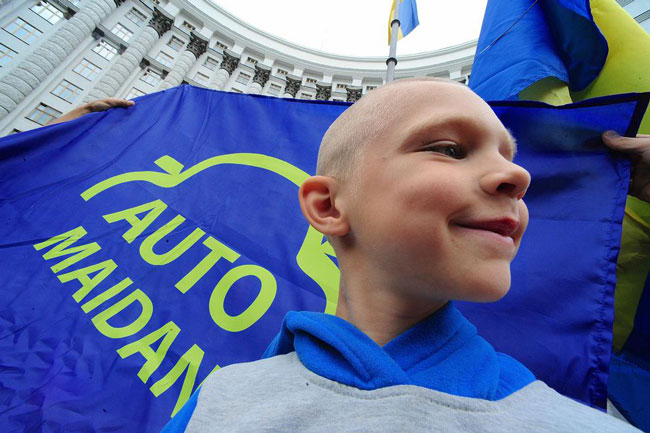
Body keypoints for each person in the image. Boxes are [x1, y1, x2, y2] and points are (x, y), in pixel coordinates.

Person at [153, 78, 645, 432]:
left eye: (508, 156)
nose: (519, 177)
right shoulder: (217, 402)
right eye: (451, 149)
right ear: (326, 206)